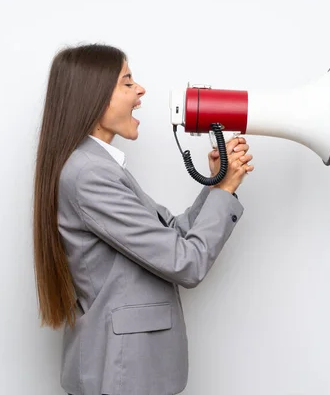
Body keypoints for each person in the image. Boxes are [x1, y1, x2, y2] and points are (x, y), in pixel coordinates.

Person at [32, 43, 254, 395]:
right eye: (127, 81)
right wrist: (224, 192)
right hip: (123, 371)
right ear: (95, 95)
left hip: (127, 367)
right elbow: (186, 262)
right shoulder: (91, 174)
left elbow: (172, 233)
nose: (140, 90)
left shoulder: (98, 167)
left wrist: (217, 185)